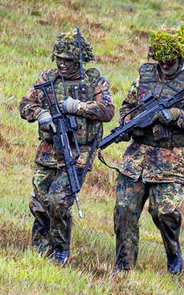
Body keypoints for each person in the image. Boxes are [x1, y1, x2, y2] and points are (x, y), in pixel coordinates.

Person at [112, 25, 184, 274]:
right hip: (137, 158)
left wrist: (175, 115)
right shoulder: (144, 76)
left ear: (180, 57)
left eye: (170, 60)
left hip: (172, 159)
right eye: (160, 60)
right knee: (124, 211)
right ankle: (124, 267)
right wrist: (126, 123)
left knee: (164, 213)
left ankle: (173, 253)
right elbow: (126, 106)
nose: (164, 64)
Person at [19, 28, 114, 264]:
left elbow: (107, 111)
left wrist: (78, 107)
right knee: (39, 202)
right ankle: (40, 250)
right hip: (48, 151)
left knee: (58, 201)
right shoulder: (47, 79)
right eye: (59, 60)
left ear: (79, 61)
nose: (62, 65)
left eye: (68, 61)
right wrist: (39, 113)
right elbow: (24, 104)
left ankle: (60, 249)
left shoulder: (94, 81)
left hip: (77, 153)